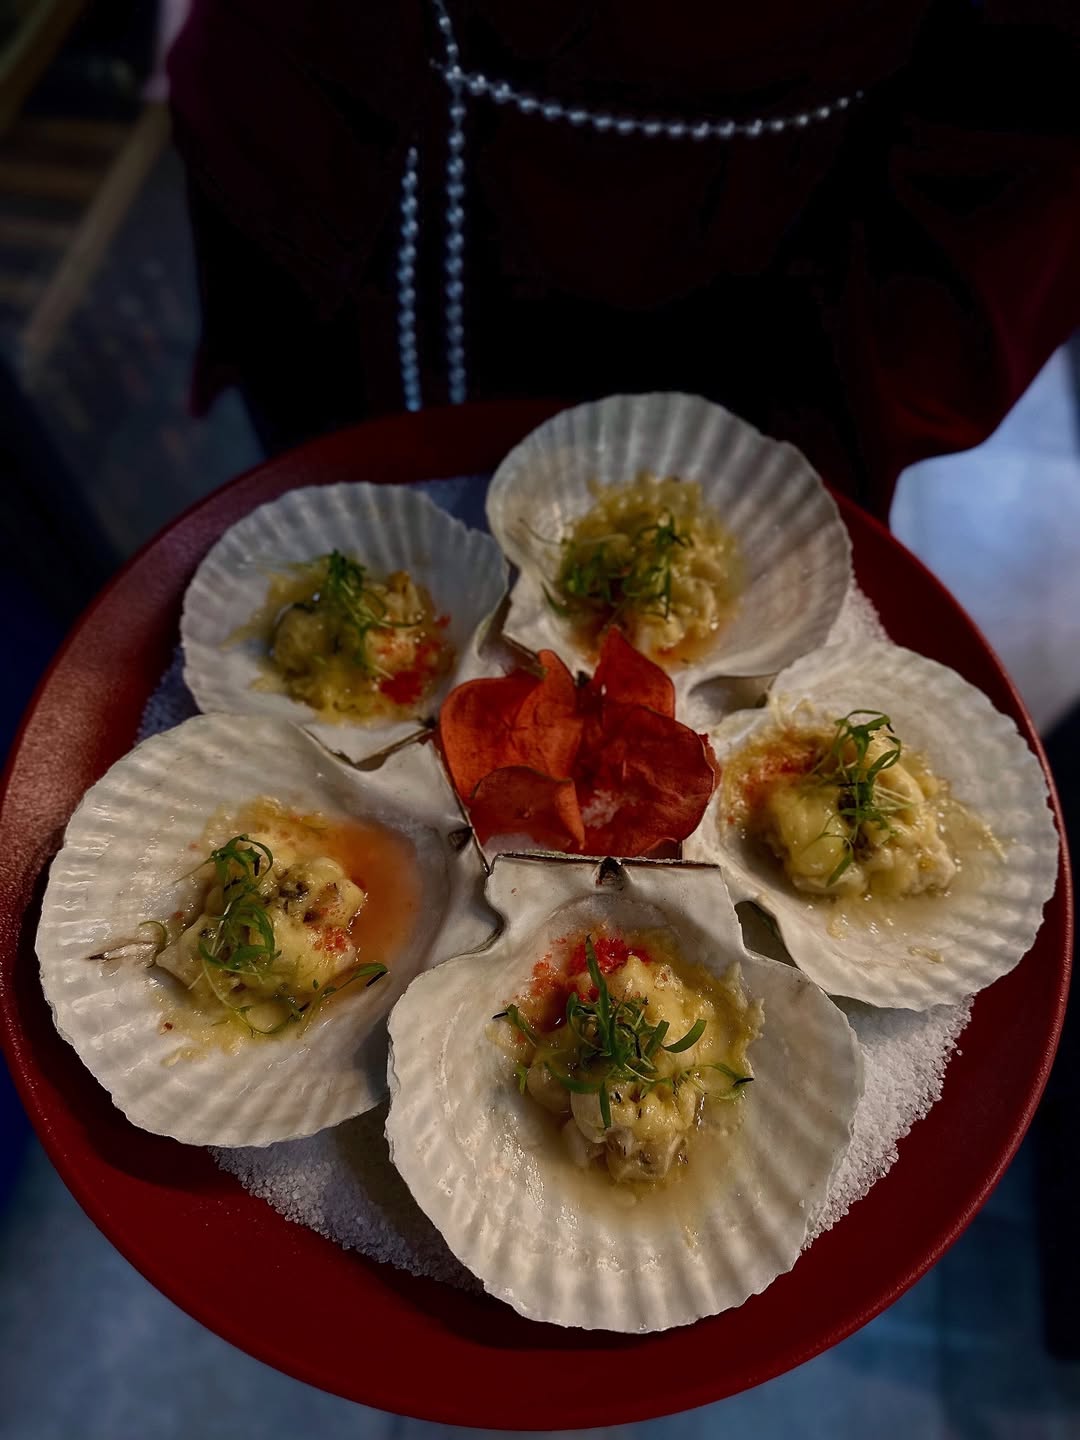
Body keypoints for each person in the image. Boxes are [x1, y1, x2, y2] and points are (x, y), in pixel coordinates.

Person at [168, 0, 1080, 514]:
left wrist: (869, 381)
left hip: (730, 288)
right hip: (311, 167)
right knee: (320, 514)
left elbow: (1035, 101)